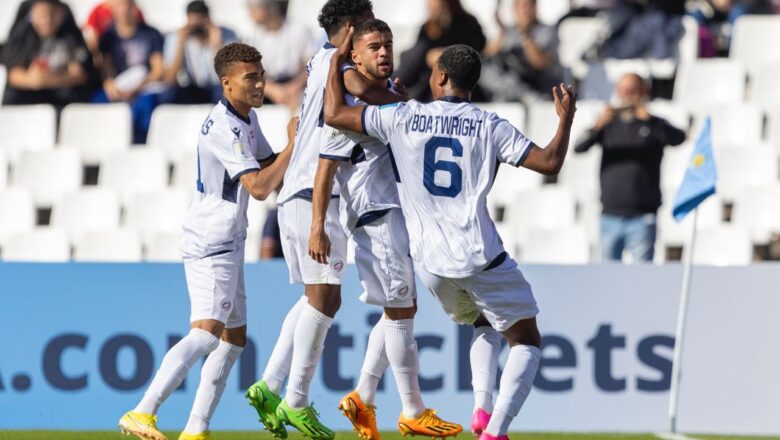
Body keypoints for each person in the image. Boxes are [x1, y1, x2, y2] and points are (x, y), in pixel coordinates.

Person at [324, 35, 577, 440]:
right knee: (526, 340)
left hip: (431, 265)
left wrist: (338, 62)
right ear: (473, 84)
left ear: (439, 76)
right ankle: (494, 430)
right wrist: (564, 120)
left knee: (483, 319)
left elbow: (335, 113)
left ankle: (480, 407)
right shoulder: (491, 125)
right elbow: (549, 162)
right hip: (480, 256)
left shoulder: (403, 116)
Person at [117, 42, 297, 440]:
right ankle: (142, 411)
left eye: (261, 75)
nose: (260, 83)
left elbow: (270, 165)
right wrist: (295, 143)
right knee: (205, 333)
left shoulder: (246, 119)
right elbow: (262, 186)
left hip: (231, 238)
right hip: (212, 238)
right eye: (250, 77)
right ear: (226, 83)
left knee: (233, 340)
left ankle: (196, 428)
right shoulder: (224, 127)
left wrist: (296, 147)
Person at [242, 1, 405, 439]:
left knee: (316, 298)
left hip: (299, 190)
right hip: (319, 191)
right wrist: (403, 101)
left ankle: (269, 384)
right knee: (326, 300)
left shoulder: (318, 59)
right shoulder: (338, 63)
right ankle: (296, 399)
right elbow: (362, 94)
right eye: (367, 26)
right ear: (351, 29)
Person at [308, 19, 462, 440]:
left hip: (393, 215)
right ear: (353, 57)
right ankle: (412, 409)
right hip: (376, 216)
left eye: (388, 45)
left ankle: (362, 395)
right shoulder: (349, 111)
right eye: (373, 46)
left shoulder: (385, 97)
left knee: (402, 308)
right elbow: (324, 170)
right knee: (400, 311)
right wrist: (317, 225)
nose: (383, 52)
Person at [574, 73, 686, 262]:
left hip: (643, 216)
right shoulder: (608, 125)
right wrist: (598, 125)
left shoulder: (653, 124)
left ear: (644, 92)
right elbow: (579, 147)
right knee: (608, 278)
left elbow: (679, 138)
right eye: (624, 91)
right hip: (610, 215)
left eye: (633, 91)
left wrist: (649, 120)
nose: (628, 96)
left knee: (642, 279)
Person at [2, 0, 97, 108]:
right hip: (26, 102)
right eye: (42, 14)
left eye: (52, 13)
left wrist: (51, 78)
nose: (47, 20)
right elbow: (13, 73)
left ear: (61, 13)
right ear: (32, 15)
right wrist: (30, 80)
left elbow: (82, 73)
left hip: (63, 103)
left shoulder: (71, 35)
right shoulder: (22, 35)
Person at [94, 0, 165, 144]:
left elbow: (158, 70)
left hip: (144, 87)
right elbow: (106, 69)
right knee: (98, 100)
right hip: (118, 87)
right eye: (120, 5)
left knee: (147, 103)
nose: (124, 9)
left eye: (128, 4)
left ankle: (139, 144)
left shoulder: (151, 34)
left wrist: (136, 88)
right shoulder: (107, 37)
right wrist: (109, 84)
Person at [397, 0, 486, 101]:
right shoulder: (427, 27)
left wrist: (446, 55)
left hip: (461, 80)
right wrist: (428, 56)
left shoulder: (468, 23)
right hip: (430, 81)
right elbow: (418, 55)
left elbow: (478, 50)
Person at [481, 0, 562, 103]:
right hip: (511, 88)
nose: (526, 11)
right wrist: (501, 32)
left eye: (530, 6)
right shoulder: (509, 31)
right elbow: (488, 54)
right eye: (523, 7)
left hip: (539, 87)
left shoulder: (547, 31)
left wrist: (525, 35)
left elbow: (540, 63)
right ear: (514, 10)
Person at [244, 0, 318, 109]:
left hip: (298, 88)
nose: (249, 14)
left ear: (266, 9)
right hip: (265, 88)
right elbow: (249, 73)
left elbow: (313, 66)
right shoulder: (251, 37)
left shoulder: (300, 30)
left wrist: (293, 87)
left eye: (252, 9)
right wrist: (273, 90)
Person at [162, 0, 237, 104]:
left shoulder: (226, 35)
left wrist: (218, 47)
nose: (198, 27)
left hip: (217, 87)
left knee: (229, 92)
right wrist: (180, 45)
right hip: (190, 88)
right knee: (168, 94)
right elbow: (169, 80)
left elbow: (233, 76)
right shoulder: (176, 38)